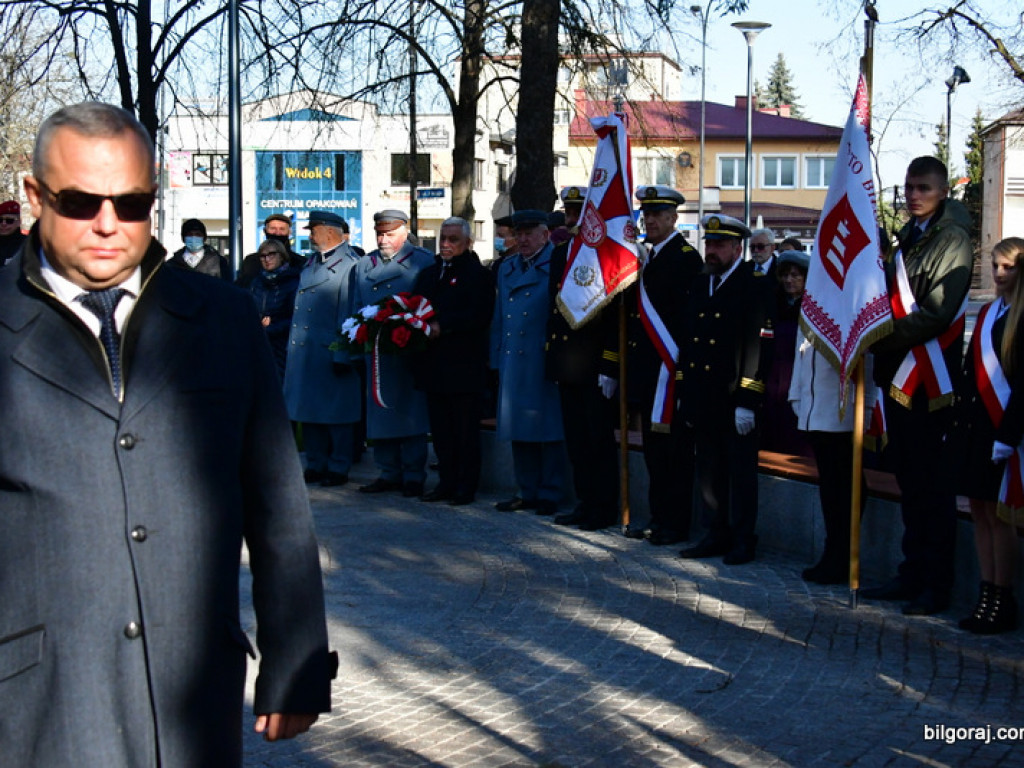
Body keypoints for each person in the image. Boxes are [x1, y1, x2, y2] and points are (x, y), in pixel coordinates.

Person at [0, 101, 335, 766]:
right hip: (43, 698)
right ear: (34, 195)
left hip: (193, 696)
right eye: (79, 201)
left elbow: (276, 501)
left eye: (131, 204)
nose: (106, 224)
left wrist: (296, 660)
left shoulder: (224, 318)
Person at [863, 155, 974, 616]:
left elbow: (936, 312)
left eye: (924, 188)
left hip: (931, 380)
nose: (913, 195)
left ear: (944, 191)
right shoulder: (909, 236)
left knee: (933, 487)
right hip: (901, 376)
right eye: (909, 187)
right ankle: (911, 574)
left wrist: (881, 335)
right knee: (910, 483)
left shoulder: (953, 240)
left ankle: (935, 584)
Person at [602, 185, 702, 544]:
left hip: (669, 375)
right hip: (648, 375)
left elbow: (688, 324)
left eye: (659, 214)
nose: (652, 220)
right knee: (655, 456)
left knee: (675, 457)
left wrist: (681, 374)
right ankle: (660, 519)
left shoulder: (686, 259)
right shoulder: (647, 259)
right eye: (648, 214)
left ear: (674, 218)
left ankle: (674, 524)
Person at [678, 214, 775, 566]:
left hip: (735, 396)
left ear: (738, 247)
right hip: (705, 395)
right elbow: (690, 341)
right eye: (709, 244)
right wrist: (685, 390)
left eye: (720, 245)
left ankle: (742, 539)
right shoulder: (702, 283)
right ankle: (714, 532)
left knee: (740, 473)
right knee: (709, 471)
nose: (712, 251)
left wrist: (748, 398)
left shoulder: (755, 283)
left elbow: (758, 345)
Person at [955, 237, 1024, 634]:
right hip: (977, 429)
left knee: (1001, 517)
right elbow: (969, 374)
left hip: (1007, 431)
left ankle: (1003, 596)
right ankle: (985, 594)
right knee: (979, 511)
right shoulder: (988, 312)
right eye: (996, 266)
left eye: (1008, 267)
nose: (999, 274)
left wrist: (1009, 435)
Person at [547, 186, 620, 531]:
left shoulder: (602, 255)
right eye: (569, 212)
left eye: (579, 212)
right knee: (577, 442)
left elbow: (613, 317)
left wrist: (609, 364)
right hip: (568, 365)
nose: (573, 219)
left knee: (598, 442)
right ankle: (584, 501)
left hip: (593, 367)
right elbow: (555, 310)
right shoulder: (562, 253)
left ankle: (603, 508)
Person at [412, 217, 495, 505]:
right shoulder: (429, 273)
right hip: (434, 365)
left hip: (463, 365)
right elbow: (416, 306)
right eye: (443, 239)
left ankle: (465, 486)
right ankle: (446, 482)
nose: (446, 245)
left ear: (468, 243)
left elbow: (478, 314)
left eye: (453, 240)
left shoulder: (478, 274)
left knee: (464, 431)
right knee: (442, 431)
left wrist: (442, 325)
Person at [352, 209, 435, 497]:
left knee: (410, 412)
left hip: (407, 347)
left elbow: (428, 305)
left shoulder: (422, 262)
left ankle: (413, 474)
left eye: (389, 233)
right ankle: (388, 471)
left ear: (404, 232)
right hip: (375, 352)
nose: (383, 238)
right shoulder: (364, 265)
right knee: (380, 411)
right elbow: (355, 306)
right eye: (379, 233)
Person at [491, 209, 565, 516]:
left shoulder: (558, 264)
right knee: (518, 426)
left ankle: (550, 491)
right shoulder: (507, 267)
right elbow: (499, 317)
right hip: (514, 356)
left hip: (543, 356)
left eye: (528, 233)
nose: (521, 239)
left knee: (548, 429)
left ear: (545, 235)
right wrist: (496, 356)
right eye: (517, 234)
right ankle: (526, 489)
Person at [283, 209, 362, 487]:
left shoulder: (350, 264)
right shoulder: (312, 262)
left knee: (336, 414)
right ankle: (316, 463)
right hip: (307, 352)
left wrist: (343, 352)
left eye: (313, 230)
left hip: (329, 349)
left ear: (329, 231)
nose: (310, 235)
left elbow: (351, 312)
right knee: (310, 412)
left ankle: (339, 465)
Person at [789, 328, 874, 586]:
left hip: (842, 405)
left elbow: (866, 357)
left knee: (845, 481)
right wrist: (796, 394)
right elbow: (800, 351)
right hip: (814, 404)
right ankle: (833, 550)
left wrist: (867, 404)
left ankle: (843, 553)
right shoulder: (813, 302)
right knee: (829, 483)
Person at [761, 250, 812, 456]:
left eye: (795, 275)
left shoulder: (812, 306)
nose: (789, 280)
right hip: (773, 377)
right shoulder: (773, 301)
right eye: (785, 275)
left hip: (799, 376)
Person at [248, 238, 302, 382]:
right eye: (263, 256)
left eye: (272, 254)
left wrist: (270, 327)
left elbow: (296, 318)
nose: (267, 259)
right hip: (260, 344)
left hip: (283, 346)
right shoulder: (256, 282)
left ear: (281, 256)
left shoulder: (293, 282)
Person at [236, 213, 306, 288]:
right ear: (265, 231)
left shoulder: (300, 263)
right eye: (273, 228)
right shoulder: (251, 261)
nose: (277, 233)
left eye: (282, 229)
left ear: (289, 232)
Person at [0, 199, 26, 266]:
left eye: (9, 220)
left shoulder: (28, 244)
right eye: (0, 220)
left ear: (19, 222)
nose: (3, 223)